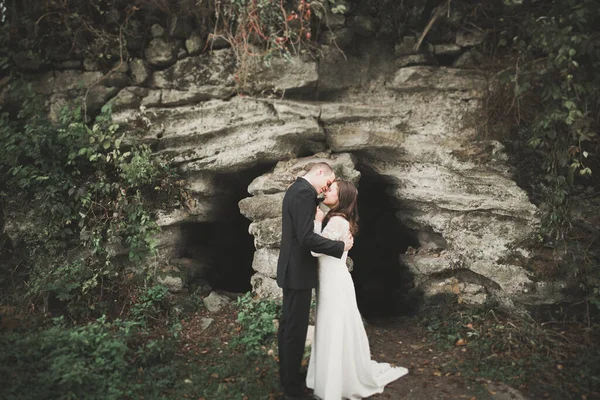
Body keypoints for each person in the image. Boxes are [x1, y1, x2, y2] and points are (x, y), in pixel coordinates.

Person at [306, 180, 408, 400]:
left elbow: (316, 250)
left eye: (331, 190)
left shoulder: (337, 221)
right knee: (331, 326)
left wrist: (316, 222)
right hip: (331, 279)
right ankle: (332, 377)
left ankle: (335, 382)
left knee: (334, 326)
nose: (327, 191)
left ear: (341, 198)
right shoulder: (335, 219)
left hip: (334, 281)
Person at [277, 163, 354, 400]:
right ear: (320, 172)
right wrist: (340, 247)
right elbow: (306, 237)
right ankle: (291, 388)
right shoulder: (303, 192)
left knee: (291, 326)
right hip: (297, 272)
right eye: (328, 183)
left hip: (294, 270)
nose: (326, 189)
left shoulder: (298, 190)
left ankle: (289, 377)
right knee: (295, 330)